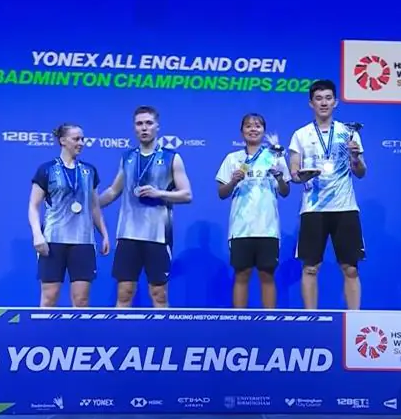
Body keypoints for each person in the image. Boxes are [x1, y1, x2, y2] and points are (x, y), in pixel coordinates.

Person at [97, 106, 193, 308]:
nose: (144, 128)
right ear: (134, 128)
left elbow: (186, 195)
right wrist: (90, 206)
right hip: (128, 234)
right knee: (124, 293)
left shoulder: (172, 158)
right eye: (139, 124)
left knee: (159, 294)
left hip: (157, 236)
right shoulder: (127, 157)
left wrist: (159, 193)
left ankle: (162, 330)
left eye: (149, 123)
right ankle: (120, 330)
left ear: (157, 126)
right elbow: (113, 191)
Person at [287, 79, 367, 309]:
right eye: (319, 98)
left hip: (345, 207)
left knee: (350, 268)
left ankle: (354, 321)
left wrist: (355, 157)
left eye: (328, 98)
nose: (324, 103)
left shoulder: (348, 133)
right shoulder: (300, 135)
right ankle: (310, 320)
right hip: (313, 209)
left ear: (336, 102)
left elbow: (361, 172)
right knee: (310, 268)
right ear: (311, 103)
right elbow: (294, 173)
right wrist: (301, 176)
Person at [28, 123, 111, 308]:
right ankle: (44, 329)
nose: (81, 143)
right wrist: (37, 235)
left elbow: (94, 206)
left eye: (82, 139)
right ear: (63, 141)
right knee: (49, 298)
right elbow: (33, 206)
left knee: (81, 300)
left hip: (83, 241)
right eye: (76, 139)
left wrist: (104, 234)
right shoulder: (46, 170)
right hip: (53, 241)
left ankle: (79, 330)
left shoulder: (90, 171)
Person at [216, 113, 291, 308]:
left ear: (264, 131)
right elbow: (222, 193)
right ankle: (239, 320)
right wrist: (233, 181)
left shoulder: (274, 157)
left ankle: (270, 321)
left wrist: (279, 177)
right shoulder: (233, 158)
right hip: (241, 229)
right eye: (248, 126)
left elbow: (285, 192)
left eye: (257, 125)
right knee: (242, 274)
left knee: (267, 274)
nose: (253, 129)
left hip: (268, 228)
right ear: (242, 132)